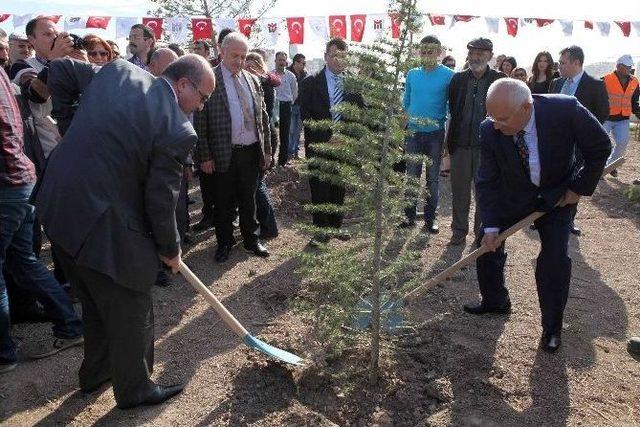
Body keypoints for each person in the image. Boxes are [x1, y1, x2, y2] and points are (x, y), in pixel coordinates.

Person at [35, 54, 215, 408]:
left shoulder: (119, 72)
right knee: (131, 297)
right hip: (98, 218)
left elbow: (61, 69)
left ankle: (97, 372)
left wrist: (70, 124)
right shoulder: (178, 129)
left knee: (95, 294)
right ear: (183, 84)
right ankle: (135, 389)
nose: (203, 106)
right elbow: (161, 201)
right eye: (204, 97)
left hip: (57, 205)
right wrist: (170, 249)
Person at [464, 79, 611, 352]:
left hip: (558, 195)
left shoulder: (564, 110)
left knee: (554, 258)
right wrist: (493, 225)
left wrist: (577, 188)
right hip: (516, 194)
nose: (497, 124)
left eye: (503, 118)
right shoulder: (490, 128)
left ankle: (552, 328)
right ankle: (495, 301)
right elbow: (487, 180)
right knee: (487, 240)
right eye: (492, 117)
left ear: (526, 107)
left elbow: (601, 147)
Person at [1, 66, 84, 375]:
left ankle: (4, 354)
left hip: (7, 186)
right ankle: (69, 324)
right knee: (23, 260)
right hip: (21, 180)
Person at [194, 32, 272, 263]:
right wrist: (204, 156)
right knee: (224, 202)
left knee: (249, 200)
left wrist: (267, 150)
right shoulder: (211, 79)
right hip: (222, 154)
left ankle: (251, 239)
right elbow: (201, 121)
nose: (239, 61)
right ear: (222, 52)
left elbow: (263, 119)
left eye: (243, 56)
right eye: (234, 55)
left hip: (250, 151)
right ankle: (225, 242)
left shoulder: (253, 79)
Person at [299, 38, 364, 246]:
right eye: (334, 55)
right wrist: (328, 138)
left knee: (338, 186)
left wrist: (344, 138)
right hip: (320, 146)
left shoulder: (353, 84)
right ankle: (320, 231)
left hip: (344, 147)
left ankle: (336, 226)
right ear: (326, 56)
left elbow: (358, 115)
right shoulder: (310, 83)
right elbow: (306, 117)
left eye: (343, 56)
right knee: (319, 188)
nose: (339, 60)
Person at [447, 37, 506, 246]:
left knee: (485, 192)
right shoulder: (458, 80)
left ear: (490, 55)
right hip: (461, 144)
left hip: (488, 148)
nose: (475, 57)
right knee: (460, 192)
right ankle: (458, 231)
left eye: (480, 54)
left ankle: (482, 232)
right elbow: (454, 110)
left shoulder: (500, 80)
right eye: (472, 53)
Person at [549, 45, 609, 236]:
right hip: (555, 145)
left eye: (562, 63)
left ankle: (569, 220)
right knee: (552, 180)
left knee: (575, 182)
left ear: (576, 62)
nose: (559, 66)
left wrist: (584, 135)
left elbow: (602, 113)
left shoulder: (595, 85)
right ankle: (545, 216)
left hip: (579, 146)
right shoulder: (556, 83)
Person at [401, 35, 455, 234]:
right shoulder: (412, 74)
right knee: (412, 176)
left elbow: (451, 107)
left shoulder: (449, 75)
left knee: (432, 178)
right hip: (413, 133)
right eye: (423, 51)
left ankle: (431, 219)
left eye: (430, 51)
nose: (426, 55)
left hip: (435, 134)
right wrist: (402, 129)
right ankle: (408, 216)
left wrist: (447, 137)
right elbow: (406, 102)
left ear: (439, 52)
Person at [245, 52, 280, 238]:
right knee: (257, 185)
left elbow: (274, 81)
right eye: (246, 66)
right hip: (260, 139)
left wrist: (258, 77)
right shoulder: (250, 82)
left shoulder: (264, 84)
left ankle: (269, 227)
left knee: (258, 186)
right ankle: (264, 225)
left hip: (265, 138)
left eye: (252, 66)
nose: (247, 69)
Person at [601, 54, 640, 176]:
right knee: (601, 143)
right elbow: (597, 99)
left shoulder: (635, 81)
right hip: (606, 118)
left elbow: (634, 102)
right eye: (626, 67)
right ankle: (598, 168)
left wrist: (638, 113)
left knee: (622, 142)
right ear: (618, 66)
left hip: (623, 119)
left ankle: (610, 166)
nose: (629, 69)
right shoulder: (605, 79)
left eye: (630, 67)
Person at [274, 51, 298, 167]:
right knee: (271, 133)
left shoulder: (291, 76)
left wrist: (289, 103)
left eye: (284, 60)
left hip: (286, 106)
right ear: (275, 61)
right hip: (273, 107)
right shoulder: (270, 75)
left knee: (285, 134)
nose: (282, 62)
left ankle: (282, 161)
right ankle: (270, 161)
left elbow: (294, 92)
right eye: (279, 60)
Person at [288, 53, 307, 160]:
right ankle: (289, 152)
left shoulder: (305, 75)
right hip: (290, 106)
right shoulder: (288, 73)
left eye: (305, 63)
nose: (304, 65)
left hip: (301, 106)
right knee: (290, 130)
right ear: (295, 62)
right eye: (302, 63)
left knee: (298, 131)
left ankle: (295, 152)